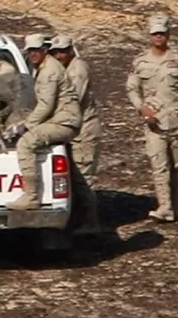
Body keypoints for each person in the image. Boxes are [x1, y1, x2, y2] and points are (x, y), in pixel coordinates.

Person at [126, 14, 178, 222]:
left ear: (168, 35)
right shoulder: (140, 62)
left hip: (176, 120)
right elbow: (132, 88)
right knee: (159, 165)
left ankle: (175, 205)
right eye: (155, 34)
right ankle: (164, 206)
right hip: (154, 123)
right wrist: (141, 108)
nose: (159, 37)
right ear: (150, 35)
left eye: (162, 34)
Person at [6, 35, 82, 210]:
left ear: (44, 50)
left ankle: (32, 196)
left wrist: (25, 125)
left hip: (64, 121)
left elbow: (46, 106)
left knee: (26, 143)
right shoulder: (41, 68)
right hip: (57, 119)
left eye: (36, 51)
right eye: (30, 51)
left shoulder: (49, 71)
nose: (33, 54)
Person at [50, 36, 103, 234]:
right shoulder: (63, 69)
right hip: (73, 129)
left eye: (62, 51)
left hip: (84, 130)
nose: (59, 55)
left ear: (70, 50)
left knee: (84, 177)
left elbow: (74, 100)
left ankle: (91, 222)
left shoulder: (77, 70)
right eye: (55, 52)